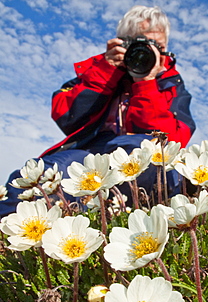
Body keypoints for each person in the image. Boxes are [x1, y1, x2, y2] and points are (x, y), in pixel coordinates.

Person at [0, 5, 196, 217]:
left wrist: (146, 82)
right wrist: (106, 71)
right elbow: (65, 114)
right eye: (139, 43)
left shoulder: (171, 85)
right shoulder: (100, 70)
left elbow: (173, 140)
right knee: (37, 178)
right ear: (122, 43)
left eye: (157, 45)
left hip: (143, 151)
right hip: (90, 149)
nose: (147, 51)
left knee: (151, 164)